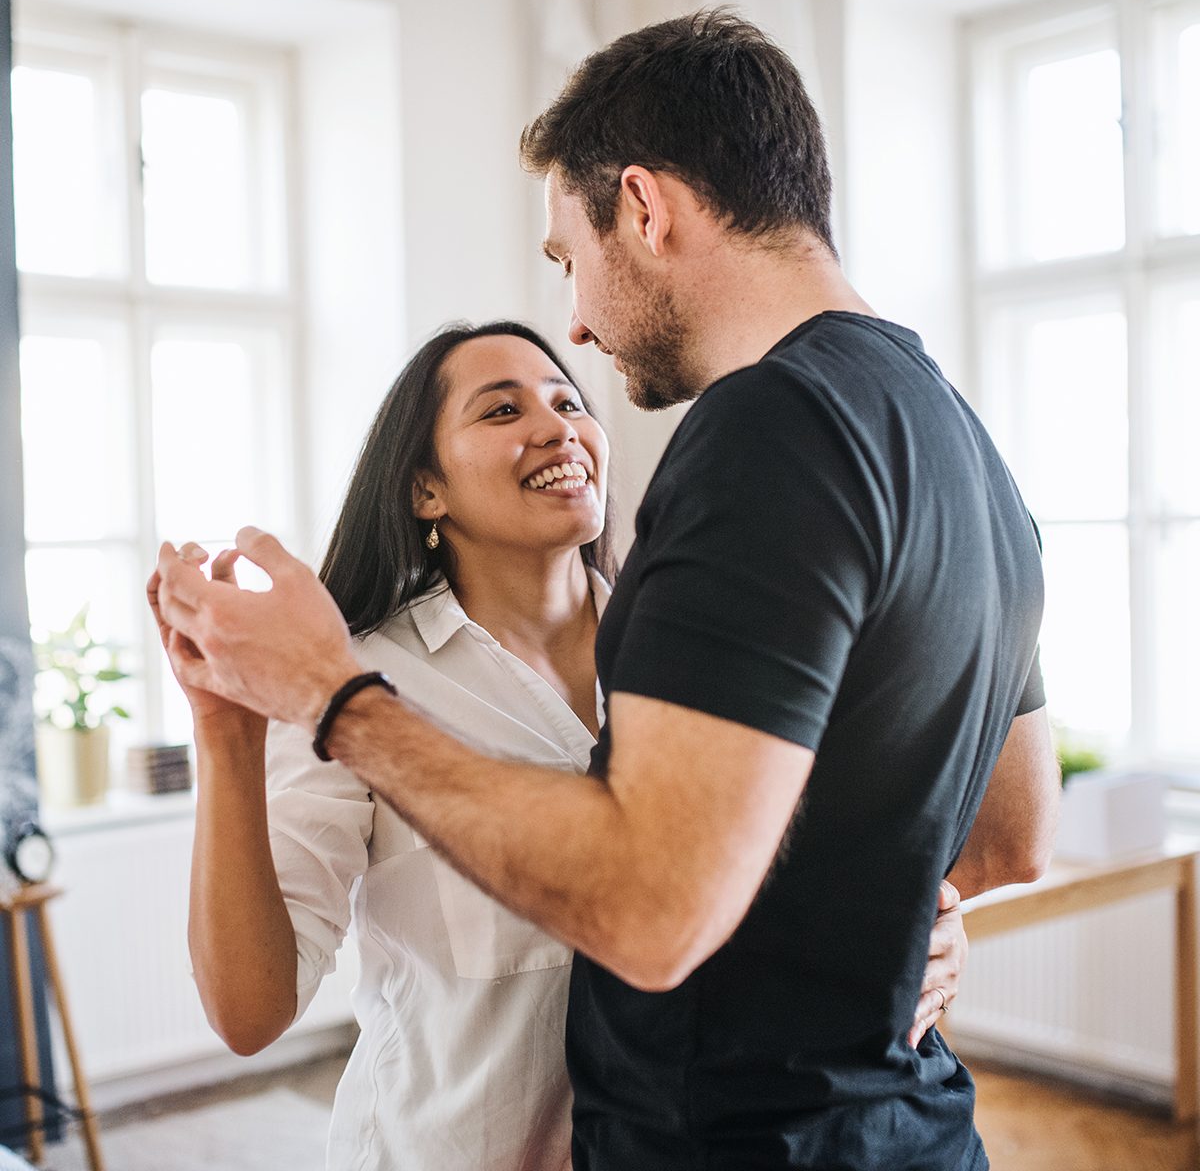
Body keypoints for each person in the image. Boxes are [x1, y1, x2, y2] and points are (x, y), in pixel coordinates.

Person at [154, 10, 1060, 1171]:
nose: (577, 326)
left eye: (567, 261)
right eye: (502, 405)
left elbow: (657, 905)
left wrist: (338, 697)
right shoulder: (962, 440)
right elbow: (1003, 839)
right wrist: (877, 927)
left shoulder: (762, 432)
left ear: (644, 205)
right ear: (421, 487)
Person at [148, 319, 966, 1171]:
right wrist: (224, 732)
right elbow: (250, 1014)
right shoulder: (349, 681)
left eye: (570, 401)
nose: (557, 427)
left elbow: (793, 865)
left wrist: (917, 931)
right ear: (427, 489)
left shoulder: (706, 653)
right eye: (501, 411)